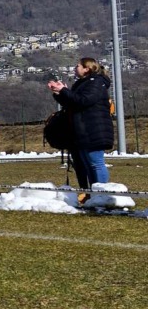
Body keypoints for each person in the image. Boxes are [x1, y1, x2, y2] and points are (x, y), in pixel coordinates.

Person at [48, 58, 114, 202]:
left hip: (93, 129)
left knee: (96, 163)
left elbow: (84, 101)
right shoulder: (83, 84)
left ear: (87, 68)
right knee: (87, 164)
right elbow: (73, 103)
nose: (74, 68)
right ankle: (93, 194)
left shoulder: (96, 83)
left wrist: (64, 90)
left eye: (78, 65)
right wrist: (59, 93)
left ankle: (103, 194)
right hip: (83, 130)